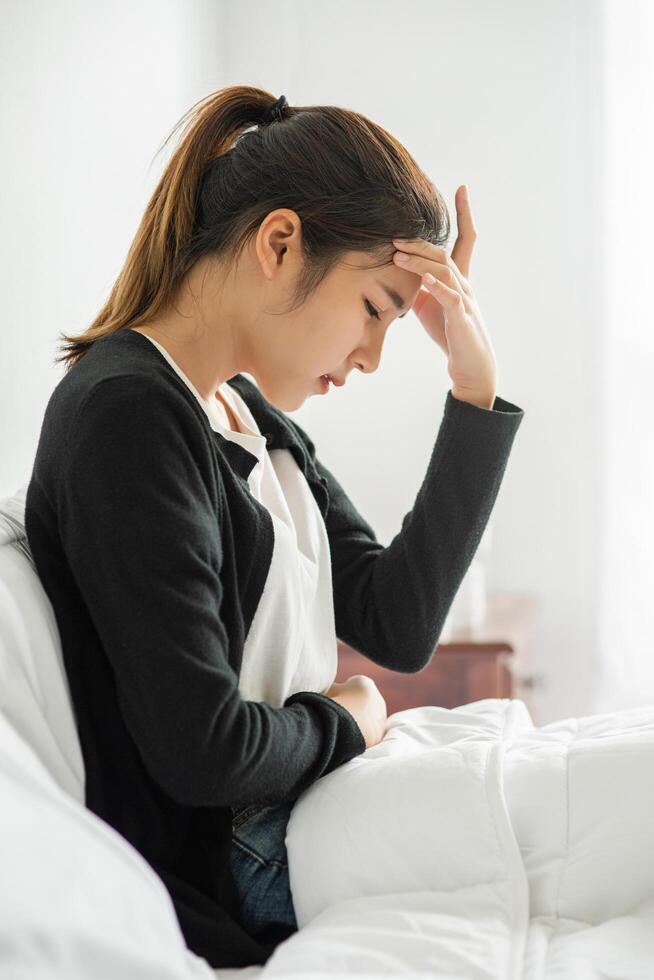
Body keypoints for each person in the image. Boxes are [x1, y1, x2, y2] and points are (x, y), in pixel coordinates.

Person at [24, 85, 524, 969]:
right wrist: (346, 715)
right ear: (280, 243)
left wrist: (473, 396)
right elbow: (204, 754)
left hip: (303, 817)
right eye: (376, 310)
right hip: (243, 864)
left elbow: (397, 625)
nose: (372, 358)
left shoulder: (241, 413)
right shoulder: (126, 417)